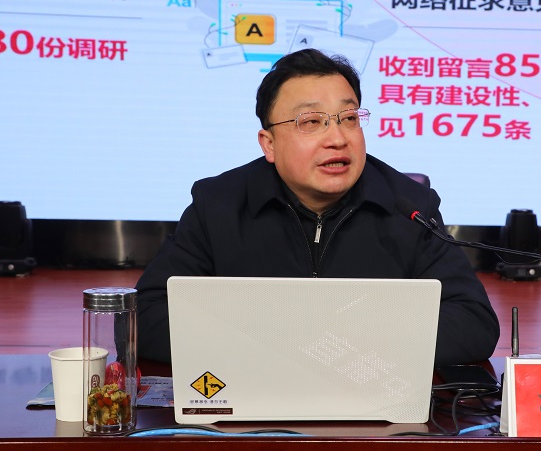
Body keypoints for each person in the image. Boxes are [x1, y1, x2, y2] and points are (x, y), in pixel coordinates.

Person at [135, 48, 499, 365]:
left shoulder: (409, 207)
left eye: (349, 119)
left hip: (372, 396)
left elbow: (473, 323)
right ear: (269, 144)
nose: (338, 139)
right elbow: (147, 317)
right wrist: (278, 345)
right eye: (311, 122)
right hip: (252, 396)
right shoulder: (218, 204)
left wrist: (344, 349)